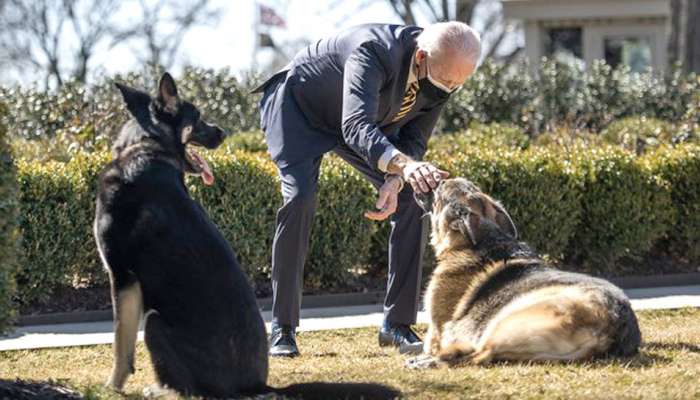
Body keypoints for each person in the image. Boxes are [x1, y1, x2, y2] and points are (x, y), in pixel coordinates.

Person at [253, 21, 481, 357]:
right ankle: (282, 329)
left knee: (412, 199)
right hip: (297, 109)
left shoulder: (443, 70)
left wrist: (396, 178)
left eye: (456, 85)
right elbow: (356, 125)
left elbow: (415, 138)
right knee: (300, 198)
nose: (448, 89)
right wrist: (403, 165)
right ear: (420, 57)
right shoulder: (373, 50)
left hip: (357, 123)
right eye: (445, 80)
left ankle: (396, 325)